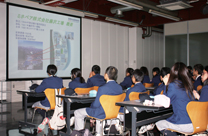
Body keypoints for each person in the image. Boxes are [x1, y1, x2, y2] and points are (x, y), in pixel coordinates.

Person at [74, 66, 123, 136]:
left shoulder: (102, 89)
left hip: (101, 113)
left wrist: (90, 106)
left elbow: (96, 105)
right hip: (114, 113)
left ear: (106, 75)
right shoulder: (119, 88)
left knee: (77, 112)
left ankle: (79, 134)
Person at [156, 62, 194, 136]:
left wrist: (166, 84)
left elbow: (164, 102)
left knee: (159, 124)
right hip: (195, 122)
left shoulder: (173, 85)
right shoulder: (188, 85)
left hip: (184, 123)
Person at [32, 64, 63, 132]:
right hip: (58, 103)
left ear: (47, 72)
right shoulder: (60, 80)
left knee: (34, 105)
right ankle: (48, 118)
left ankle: (46, 117)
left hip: (48, 104)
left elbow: (37, 90)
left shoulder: (46, 80)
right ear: (56, 71)